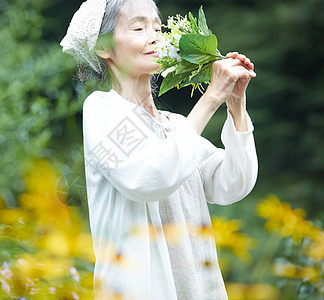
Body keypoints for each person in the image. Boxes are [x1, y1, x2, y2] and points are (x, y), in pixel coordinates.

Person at [61, 0, 258, 299]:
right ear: (103, 48)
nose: (155, 35)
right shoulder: (104, 110)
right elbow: (150, 178)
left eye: (158, 26)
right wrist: (211, 97)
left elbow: (233, 183)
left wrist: (235, 104)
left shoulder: (174, 125)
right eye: (139, 27)